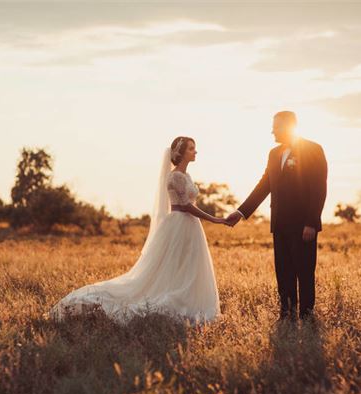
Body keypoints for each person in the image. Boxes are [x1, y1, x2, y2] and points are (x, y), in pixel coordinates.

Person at [48, 136, 228, 325]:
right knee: (172, 266)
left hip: (191, 226)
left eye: (194, 148)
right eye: (191, 149)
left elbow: (191, 204)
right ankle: (173, 300)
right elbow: (185, 206)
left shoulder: (187, 177)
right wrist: (215, 219)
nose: (195, 152)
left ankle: (192, 304)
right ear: (180, 153)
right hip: (178, 224)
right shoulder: (174, 177)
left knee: (189, 266)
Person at [226, 111, 328, 322]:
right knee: (283, 271)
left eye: (276, 126)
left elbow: (319, 188)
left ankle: (307, 316)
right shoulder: (274, 154)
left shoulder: (313, 149)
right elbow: (264, 185)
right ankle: (287, 314)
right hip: (279, 223)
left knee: (305, 271)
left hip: (303, 225)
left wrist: (311, 222)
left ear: (289, 126)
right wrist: (241, 211)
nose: (272, 130)